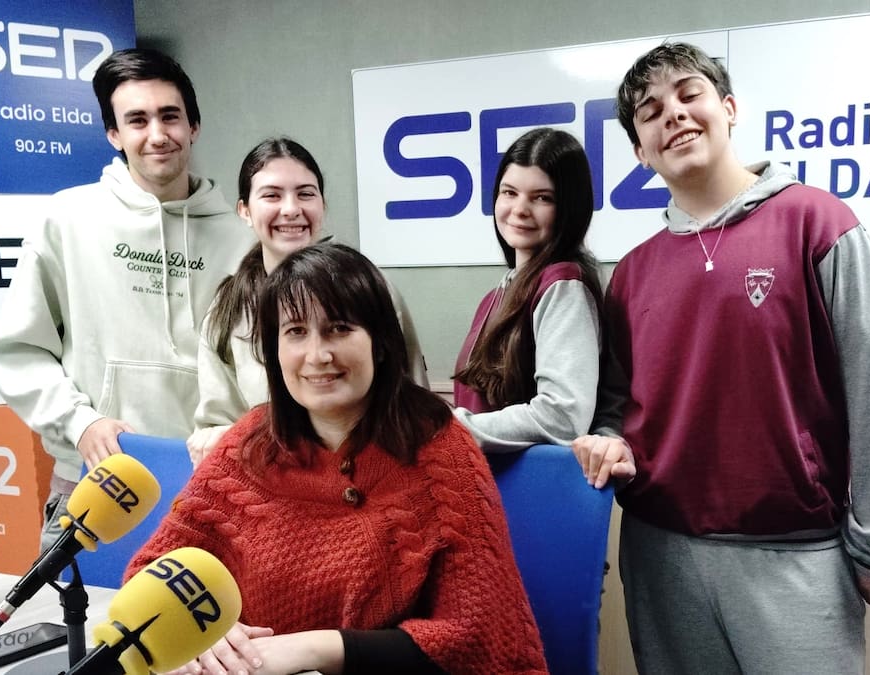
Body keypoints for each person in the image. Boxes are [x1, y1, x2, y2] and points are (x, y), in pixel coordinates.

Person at [573, 42, 870, 674]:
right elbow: (614, 408)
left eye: (689, 95)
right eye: (651, 112)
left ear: (728, 108)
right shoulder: (632, 273)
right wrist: (607, 441)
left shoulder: (816, 222)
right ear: (639, 150)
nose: (674, 116)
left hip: (798, 555)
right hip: (661, 555)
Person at [127, 242, 547, 675]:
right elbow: (152, 575)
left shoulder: (442, 451)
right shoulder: (247, 446)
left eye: (339, 329)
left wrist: (317, 649)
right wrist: (211, 633)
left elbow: (475, 636)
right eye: (295, 332)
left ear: (380, 343)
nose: (317, 355)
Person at [0, 48, 254, 550]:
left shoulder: (243, 240)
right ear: (114, 134)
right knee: (77, 627)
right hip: (94, 481)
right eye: (137, 119)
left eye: (170, 116)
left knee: (217, 629)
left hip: (212, 487)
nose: (157, 134)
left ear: (193, 126)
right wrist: (79, 420)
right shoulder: (67, 219)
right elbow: (18, 350)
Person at [186, 137, 428, 465]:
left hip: (373, 481)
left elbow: (413, 402)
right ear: (244, 210)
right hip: (273, 491)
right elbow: (219, 426)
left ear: (322, 205)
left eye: (305, 193)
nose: (291, 209)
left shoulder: (369, 287)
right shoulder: (228, 308)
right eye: (272, 195)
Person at [452, 127, 605, 455]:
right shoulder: (497, 296)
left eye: (542, 197)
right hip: (483, 488)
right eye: (509, 192)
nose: (520, 209)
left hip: (526, 496)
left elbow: (562, 417)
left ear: (569, 208)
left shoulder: (564, 287)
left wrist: (451, 429)